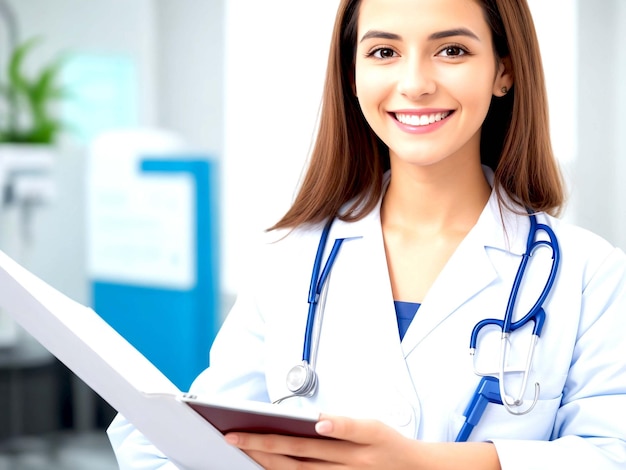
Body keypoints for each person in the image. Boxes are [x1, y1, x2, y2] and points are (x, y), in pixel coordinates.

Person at [107, 0, 626, 468]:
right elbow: (194, 446)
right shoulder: (294, 258)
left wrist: (423, 465)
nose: (416, 82)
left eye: (451, 49)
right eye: (383, 51)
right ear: (352, 75)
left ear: (504, 71)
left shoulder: (587, 273)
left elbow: (611, 453)